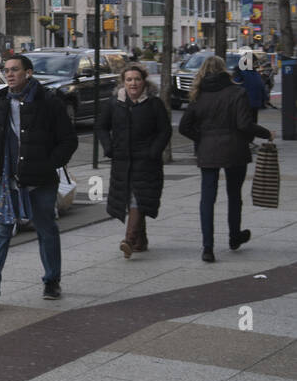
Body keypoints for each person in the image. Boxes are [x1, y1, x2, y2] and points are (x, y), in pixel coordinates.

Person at [0, 54, 79, 303]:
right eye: (6, 70)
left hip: (41, 180)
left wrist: (49, 164)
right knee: (1, 231)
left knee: (46, 229)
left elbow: (69, 140)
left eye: (15, 70)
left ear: (28, 73)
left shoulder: (48, 101)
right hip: (10, 180)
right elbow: (0, 137)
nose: (9, 74)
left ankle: (52, 281)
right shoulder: (3, 99)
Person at [178, 55, 273, 262]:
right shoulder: (237, 92)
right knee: (234, 194)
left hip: (208, 150)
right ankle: (234, 237)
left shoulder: (198, 95)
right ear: (224, 70)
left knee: (207, 198)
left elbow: (184, 127)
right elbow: (244, 125)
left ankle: (208, 248)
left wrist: (203, 138)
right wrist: (265, 133)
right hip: (235, 149)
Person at [96, 63, 171, 259]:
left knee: (138, 198)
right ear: (123, 82)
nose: (133, 83)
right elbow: (101, 127)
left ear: (144, 81)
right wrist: (108, 147)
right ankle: (141, 240)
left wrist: (154, 151)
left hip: (146, 161)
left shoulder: (154, 104)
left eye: (137, 79)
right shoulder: (114, 103)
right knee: (131, 199)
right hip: (122, 161)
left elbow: (165, 130)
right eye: (129, 79)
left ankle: (128, 240)